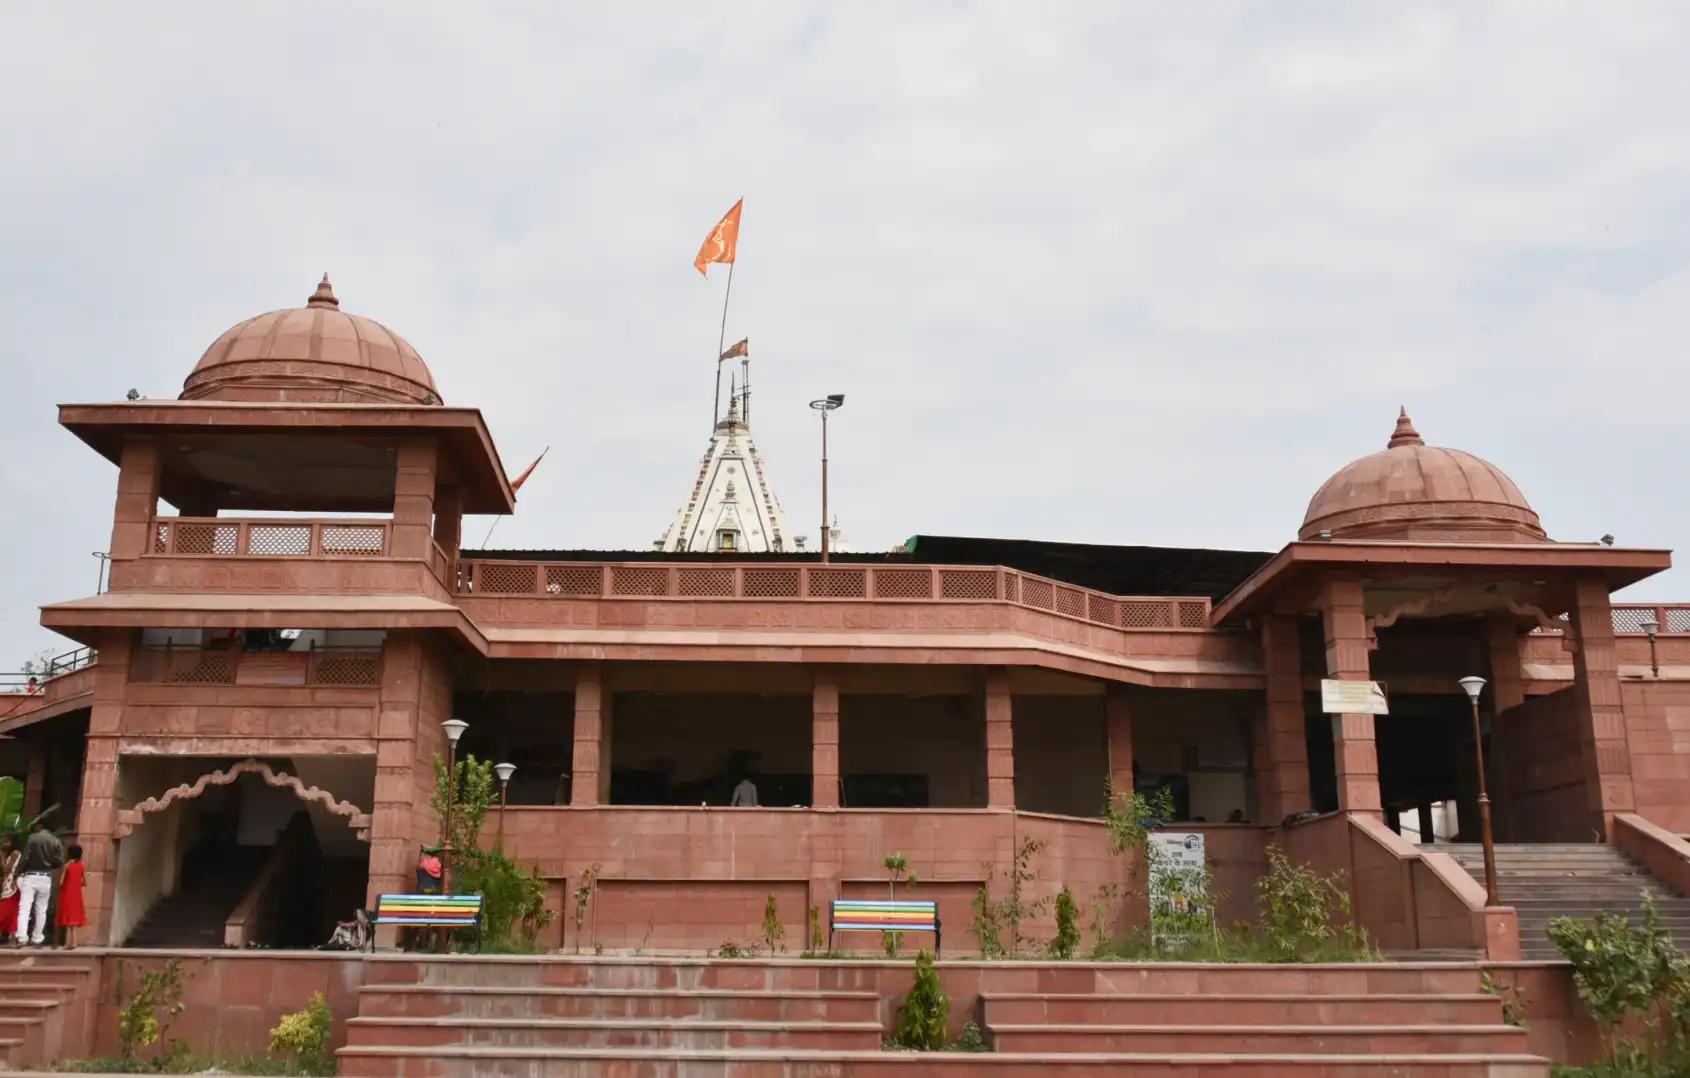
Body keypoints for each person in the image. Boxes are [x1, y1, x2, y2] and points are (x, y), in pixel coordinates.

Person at [14, 818, 62, 947]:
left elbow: (25, 857)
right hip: (46, 877)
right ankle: (37, 939)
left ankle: (22, 938)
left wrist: (18, 872)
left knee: (25, 908)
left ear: (40, 826)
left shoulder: (33, 838)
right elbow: (59, 862)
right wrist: (49, 863)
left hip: (30, 876)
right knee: (41, 909)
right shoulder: (55, 841)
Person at [56, 844, 85, 949]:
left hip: (67, 893)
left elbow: (61, 882)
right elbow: (84, 881)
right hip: (77, 894)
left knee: (68, 918)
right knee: (74, 918)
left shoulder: (67, 866)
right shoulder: (82, 866)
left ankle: (68, 943)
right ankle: (75, 942)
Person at [0, 837, 20, 940]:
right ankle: (12, 935)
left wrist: (2, 856)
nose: (4, 844)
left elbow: (7, 869)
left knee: (5, 910)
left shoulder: (15, 853)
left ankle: (12, 935)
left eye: (6, 841)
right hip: (9, 885)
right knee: (12, 912)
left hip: (12, 887)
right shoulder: (13, 854)